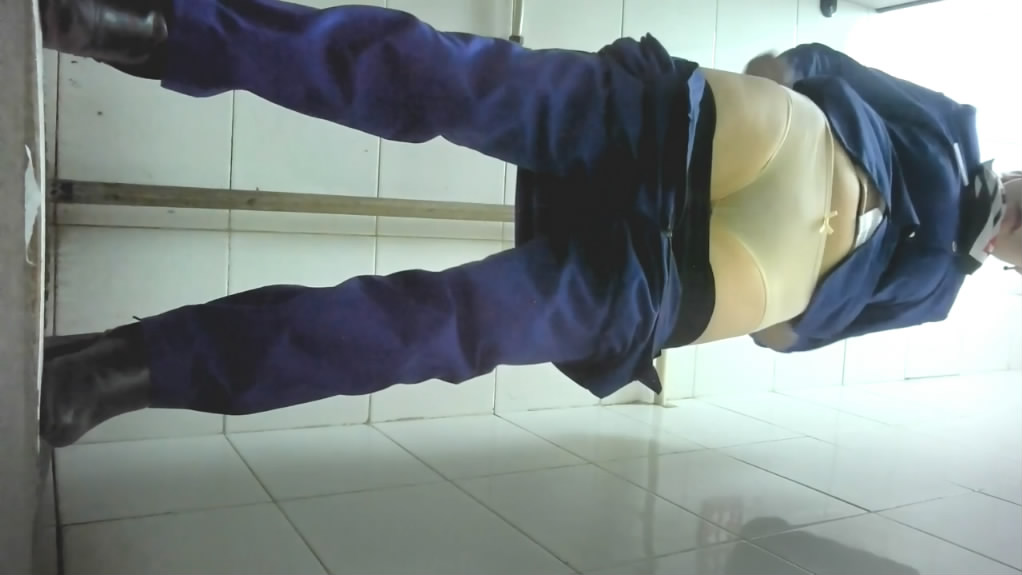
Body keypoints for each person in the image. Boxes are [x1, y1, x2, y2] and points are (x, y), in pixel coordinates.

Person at [38, 0, 1022, 447]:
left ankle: (132, 368)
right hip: (683, 126)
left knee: (430, 332)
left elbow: (785, 336)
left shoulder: (935, 295)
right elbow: (807, 65)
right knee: (431, 75)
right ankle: (160, 27)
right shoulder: (957, 128)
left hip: (679, 285)